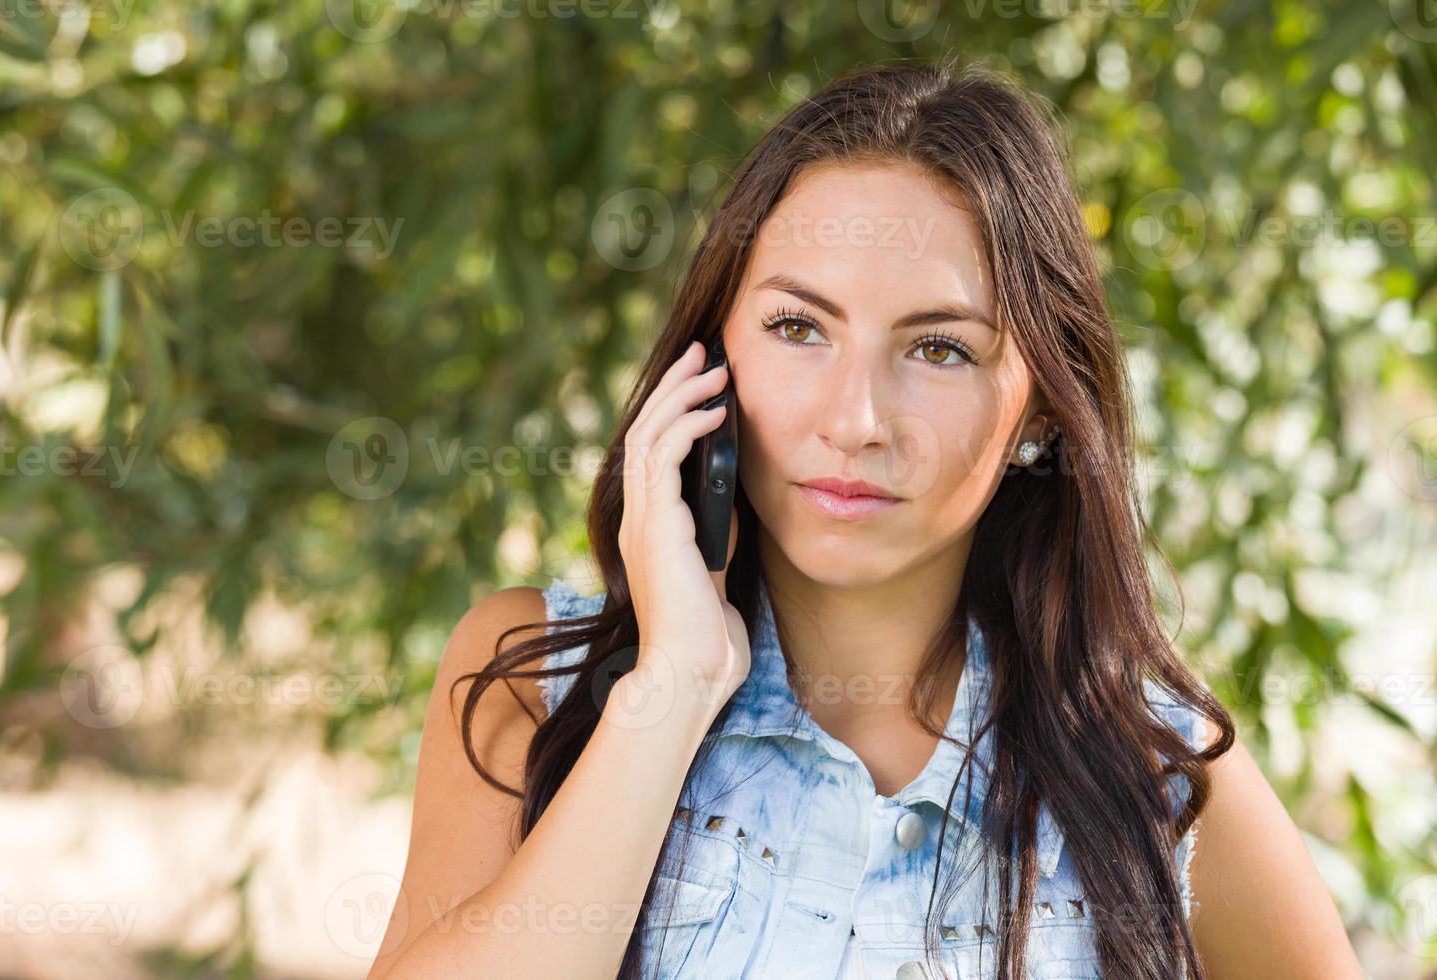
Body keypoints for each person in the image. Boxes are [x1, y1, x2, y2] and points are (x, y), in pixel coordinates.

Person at [368, 57, 1365, 980]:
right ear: (708, 363)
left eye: (939, 349)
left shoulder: (1157, 780)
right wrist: (671, 687)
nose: (854, 421)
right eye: (798, 327)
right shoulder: (537, 681)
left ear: (1040, 409)